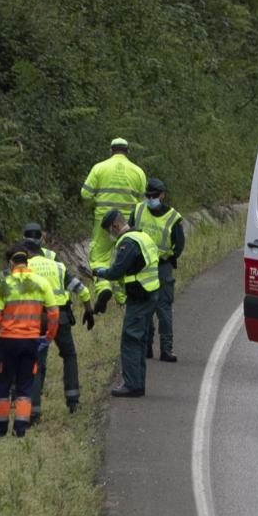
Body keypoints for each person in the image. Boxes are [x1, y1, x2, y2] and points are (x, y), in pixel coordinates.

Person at [0, 243, 59, 438]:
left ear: (10, 263)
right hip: (31, 342)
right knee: (25, 386)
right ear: (27, 261)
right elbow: (54, 313)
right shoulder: (41, 283)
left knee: (2, 386)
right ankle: (21, 429)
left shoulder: (5, 285)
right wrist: (48, 337)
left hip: (7, 343)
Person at [91, 210, 159, 397]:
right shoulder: (142, 236)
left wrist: (98, 272)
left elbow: (116, 272)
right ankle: (138, 383)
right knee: (140, 339)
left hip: (140, 296)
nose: (110, 235)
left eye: (109, 231)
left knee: (130, 340)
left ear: (116, 226)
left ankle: (132, 385)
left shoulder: (127, 243)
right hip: (151, 292)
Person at [27, 237, 95, 418]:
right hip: (61, 319)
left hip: (35, 322)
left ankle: (33, 413)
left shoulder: (24, 269)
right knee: (69, 355)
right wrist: (89, 311)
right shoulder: (58, 267)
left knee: (34, 364)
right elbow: (83, 290)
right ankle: (73, 401)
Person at [80, 138, 146, 314]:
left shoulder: (99, 168)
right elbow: (142, 203)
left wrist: (95, 204)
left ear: (111, 151)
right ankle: (123, 299)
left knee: (99, 258)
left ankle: (103, 288)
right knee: (124, 260)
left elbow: (85, 193)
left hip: (104, 224)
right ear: (128, 151)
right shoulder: (138, 172)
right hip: (126, 225)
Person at [130, 178, 184, 362]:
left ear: (162, 196)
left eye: (154, 196)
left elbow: (179, 244)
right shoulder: (138, 210)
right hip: (142, 267)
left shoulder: (172, 217)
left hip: (161, 267)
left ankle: (166, 348)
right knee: (146, 307)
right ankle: (147, 347)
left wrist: (169, 258)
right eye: (148, 196)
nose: (150, 199)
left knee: (163, 308)